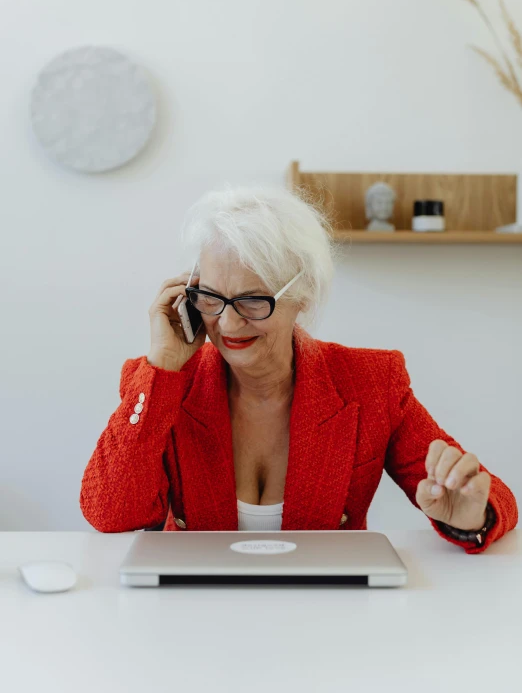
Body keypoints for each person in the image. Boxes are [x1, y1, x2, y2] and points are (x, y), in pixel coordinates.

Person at [80, 186, 518, 553]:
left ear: (302, 295)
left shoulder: (372, 382)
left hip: (326, 612)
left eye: (254, 300)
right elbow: (109, 512)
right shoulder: (161, 382)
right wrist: (163, 369)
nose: (228, 323)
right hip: (197, 612)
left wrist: (470, 517)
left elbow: (489, 495)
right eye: (210, 297)